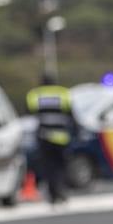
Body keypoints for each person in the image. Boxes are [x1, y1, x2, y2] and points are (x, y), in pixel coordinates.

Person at [26, 74, 76, 204]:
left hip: (44, 137)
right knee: (61, 166)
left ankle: (52, 195)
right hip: (61, 138)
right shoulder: (63, 93)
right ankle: (61, 192)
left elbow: (30, 112)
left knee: (48, 167)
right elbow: (71, 115)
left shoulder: (35, 94)